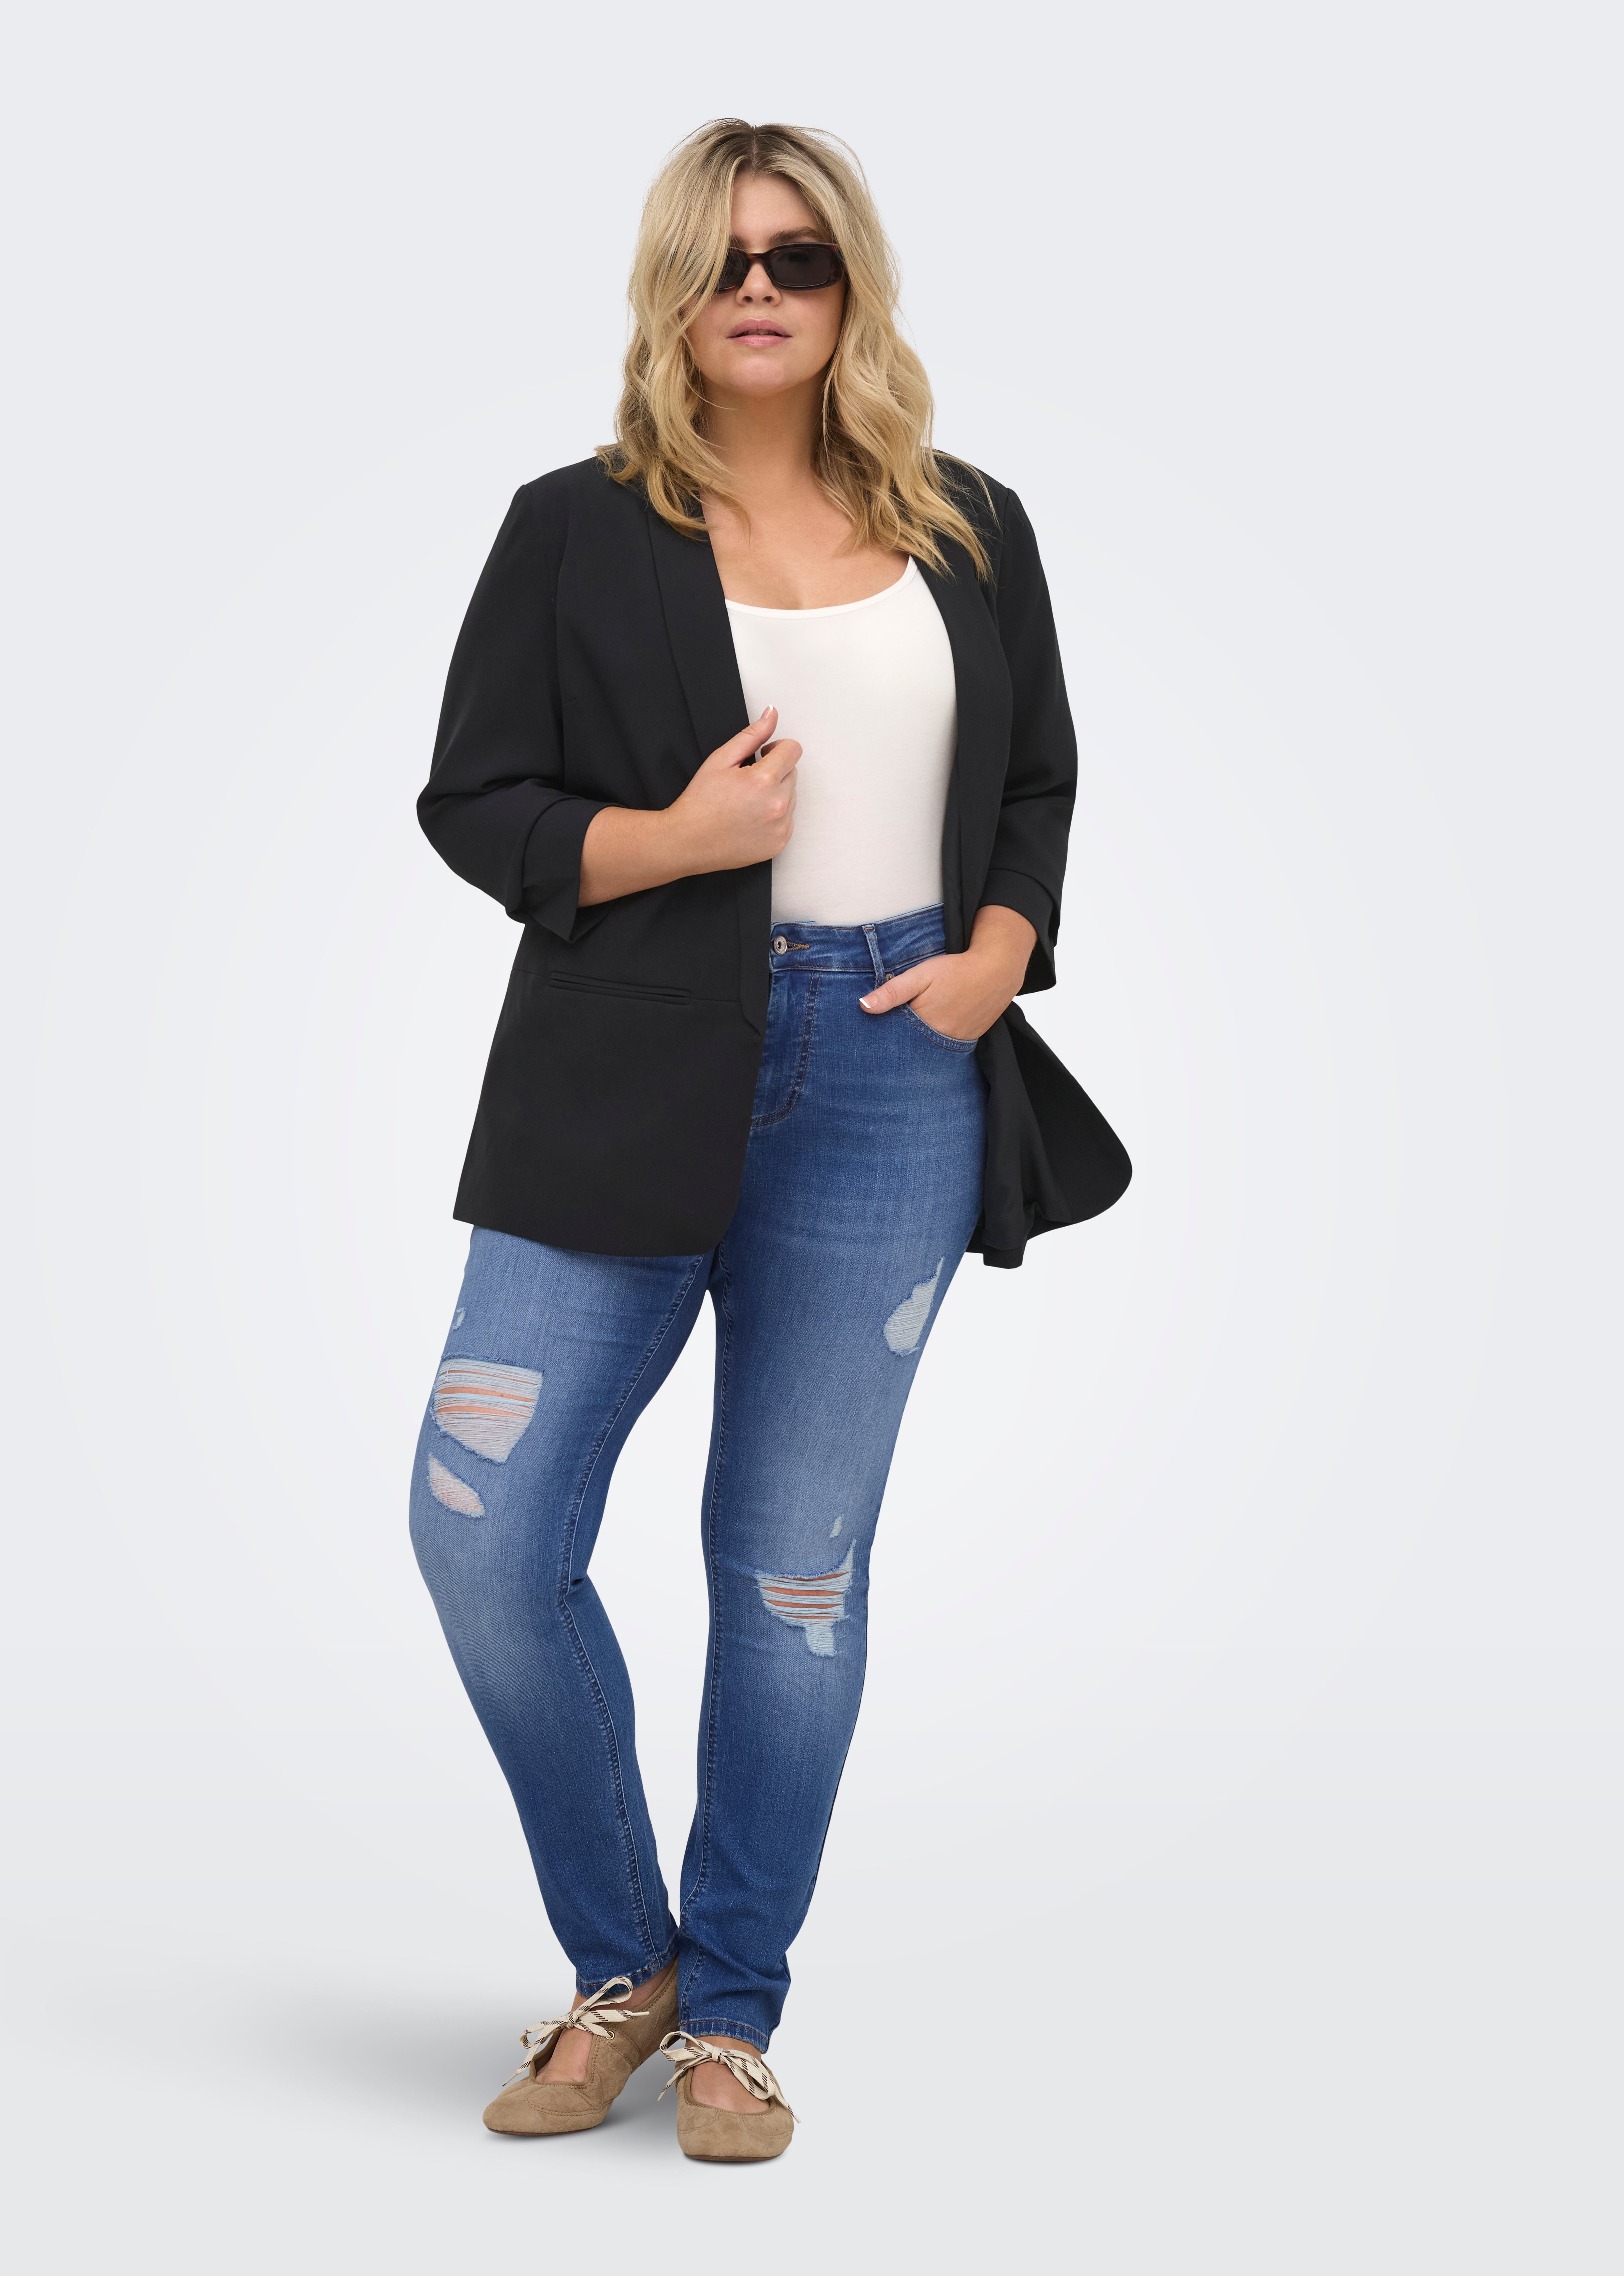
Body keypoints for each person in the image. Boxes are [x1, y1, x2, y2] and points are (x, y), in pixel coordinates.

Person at [410, 117, 1129, 2163]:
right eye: (725, 257)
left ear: (847, 287)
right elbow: (474, 800)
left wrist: (1000, 950)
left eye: (798, 256)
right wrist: (673, 839)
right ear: (673, 285)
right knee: (481, 1532)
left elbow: (1035, 780)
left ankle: (727, 2011)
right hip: (617, 1076)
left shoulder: (969, 523)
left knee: (792, 1575)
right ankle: (618, 1966)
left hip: (894, 1076)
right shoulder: (575, 527)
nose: (760, 288)